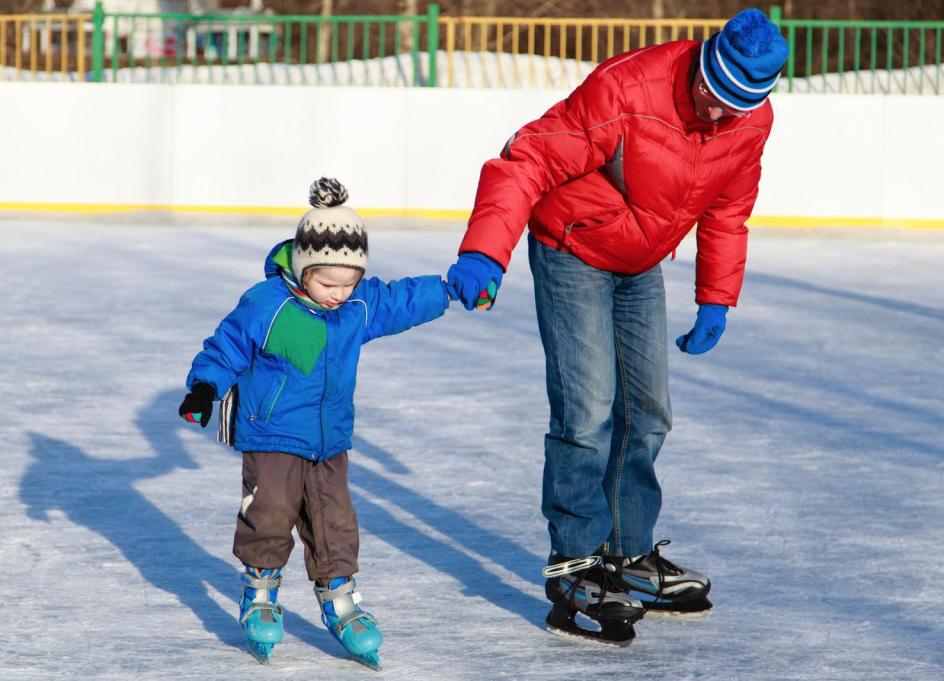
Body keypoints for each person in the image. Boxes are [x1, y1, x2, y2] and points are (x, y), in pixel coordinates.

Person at [446, 8, 788, 645]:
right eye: (712, 93)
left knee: (647, 411)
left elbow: (727, 209)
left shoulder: (750, 121)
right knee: (587, 413)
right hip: (572, 246)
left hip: (640, 260)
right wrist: (485, 251)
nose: (718, 113)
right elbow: (529, 158)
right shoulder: (628, 90)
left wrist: (717, 298)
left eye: (737, 105)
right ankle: (574, 566)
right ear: (703, 62)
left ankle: (627, 554)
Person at [178, 178, 452, 668]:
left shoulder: (356, 305)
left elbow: (400, 300)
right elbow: (226, 346)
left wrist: (450, 289)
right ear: (304, 268)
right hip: (273, 436)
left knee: (335, 519)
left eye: (349, 283)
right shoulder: (268, 305)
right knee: (270, 512)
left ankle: (340, 598)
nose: (338, 295)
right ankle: (260, 592)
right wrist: (203, 390)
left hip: (329, 441)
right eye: (328, 283)